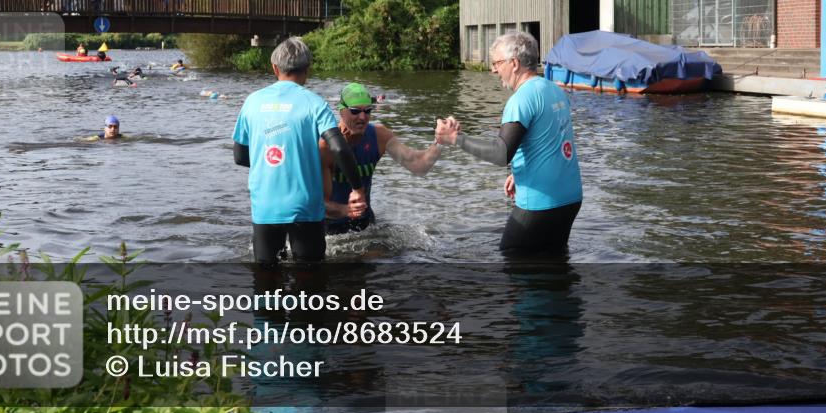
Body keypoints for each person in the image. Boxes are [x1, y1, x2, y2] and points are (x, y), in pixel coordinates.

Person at [435, 31, 583, 256]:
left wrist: (455, 138)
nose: (494, 70)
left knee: (513, 262)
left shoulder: (521, 99)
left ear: (514, 63)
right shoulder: (553, 90)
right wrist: (520, 172)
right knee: (554, 264)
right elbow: (551, 141)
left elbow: (501, 153)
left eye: (497, 63)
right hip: (570, 197)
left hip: (541, 202)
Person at [231, 37, 366, 265]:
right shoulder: (315, 104)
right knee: (310, 277)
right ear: (307, 70)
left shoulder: (252, 102)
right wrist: (357, 188)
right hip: (306, 207)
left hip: (266, 206)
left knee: (267, 281)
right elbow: (340, 148)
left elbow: (240, 157)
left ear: (275, 68)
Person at [320, 83, 444, 234]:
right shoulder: (325, 147)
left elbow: (419, 164)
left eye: (367, 111)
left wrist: (439, 142)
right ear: (341, 111)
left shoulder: (379, 136)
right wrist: (346, 210)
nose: (362, 117)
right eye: (355, 111)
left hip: (365, 223)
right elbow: (317, 203)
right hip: (330, 226)